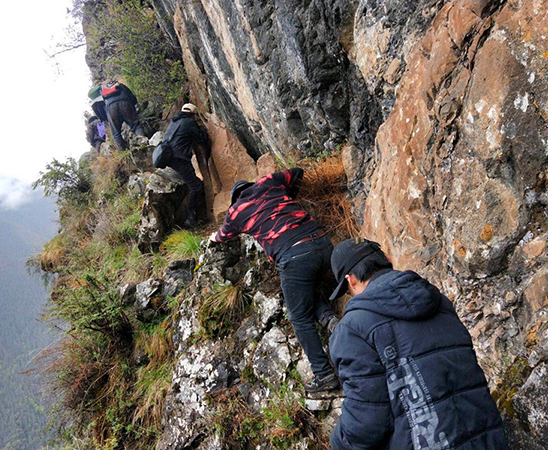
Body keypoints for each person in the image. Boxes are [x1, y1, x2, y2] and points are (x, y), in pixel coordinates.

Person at [327, 238, 509, 450]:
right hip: (487, 440)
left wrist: (337, 443)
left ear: (351, 280)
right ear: (386, 259)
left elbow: (366, 422)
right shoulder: (438, 300)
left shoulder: (352, 330)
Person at [210, 168, 340, 393]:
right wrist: (289, 197)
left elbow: (222, 235)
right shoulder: (268, 182)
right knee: (303, 293)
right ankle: (330, 321)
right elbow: (298, 172)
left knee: (298, 316)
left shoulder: (236, 211)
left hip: (295, 254)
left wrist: (212, 237)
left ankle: (324, 374)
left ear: (235, 198)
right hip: (323, 242)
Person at [165, 103, 209, 228]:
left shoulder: (174, 122)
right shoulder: (189, 122)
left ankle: (192, 217)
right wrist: (203, 129)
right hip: (179, 159)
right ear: (193, 114)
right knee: (195, 187)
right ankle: (191, 220)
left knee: (192, 183)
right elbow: (200, 139)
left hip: (171, 158)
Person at [102, 81, 145, 150]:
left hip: (111, 108)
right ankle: (143, 144)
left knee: (116, 134)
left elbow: (103, 107)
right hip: (125, 103)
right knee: (136, 125)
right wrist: (132, 107)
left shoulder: (104, 92)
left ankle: (122, 152)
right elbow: (133, 98)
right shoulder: (121, 86)